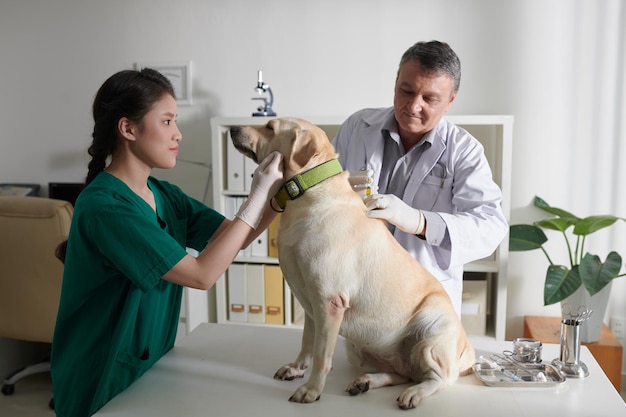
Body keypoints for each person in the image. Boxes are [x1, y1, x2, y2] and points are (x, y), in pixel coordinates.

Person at [50, 68, 283, 417]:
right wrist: (256, 197)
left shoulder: (163, 195)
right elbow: (202, 275)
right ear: (128, 128)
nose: (178, 134)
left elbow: (234, 238)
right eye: (167, 121)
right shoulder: (105, 207)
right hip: (101, 375)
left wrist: (277, 199)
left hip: (149, 367)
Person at [333, 40, 508, 316]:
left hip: (420, 301)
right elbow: (330, 188)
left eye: (429, 99)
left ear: (450, 101)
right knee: (356, 360)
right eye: (407, 91)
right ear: (395, 84)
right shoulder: (358, 127)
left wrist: (419, 221)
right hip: (357, 289)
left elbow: (490, 226)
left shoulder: (464, 151)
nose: (413, 106)